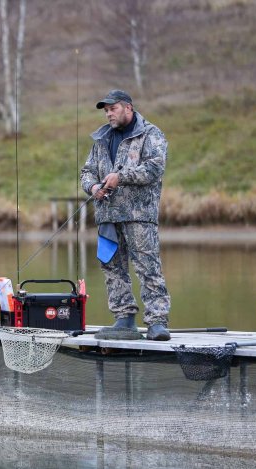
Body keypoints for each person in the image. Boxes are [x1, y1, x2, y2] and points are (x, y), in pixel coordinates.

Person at [80, 89, 171, 341]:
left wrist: (121, 177)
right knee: (111, 267)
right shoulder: (100, 138)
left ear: (128, 108)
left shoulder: (150, 134)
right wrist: (94, 187)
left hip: (139, 215)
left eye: (113, 108)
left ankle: (157, 322)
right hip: (107, 216)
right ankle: (124, 319)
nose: (109, 113)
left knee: (148, 267)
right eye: (106, 110)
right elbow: (86, 172)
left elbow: (154, 168)